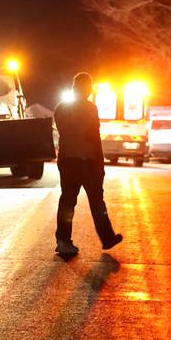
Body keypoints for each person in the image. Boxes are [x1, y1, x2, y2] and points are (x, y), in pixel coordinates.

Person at [53, 72, 123, 257]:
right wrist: (100, 165)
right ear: (88, 88)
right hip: (87, 162)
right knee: (97, 201)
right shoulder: (90, 108)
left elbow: (63, 132)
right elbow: (94, 138)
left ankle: (63, 241)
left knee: (67, 201)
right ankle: (107, 238)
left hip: (67, 161)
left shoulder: (61, 107)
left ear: (74, 87)